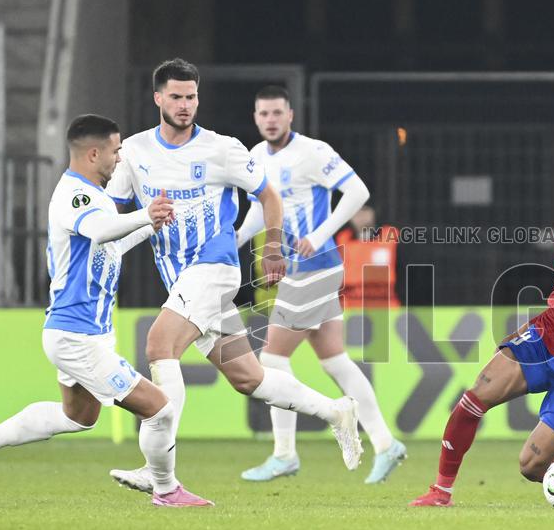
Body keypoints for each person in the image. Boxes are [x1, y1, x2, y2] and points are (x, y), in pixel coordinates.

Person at [0, 114, 213, 507]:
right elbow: (100, 230)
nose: (119, 159)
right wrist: (145, 214)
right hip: (78, 335)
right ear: (93, 154)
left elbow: (108, 245)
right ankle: (166, 490)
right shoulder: (76, 196)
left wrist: (151, 225)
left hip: (80, 333)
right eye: (115, 151)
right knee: (160, 409)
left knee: (78, 416)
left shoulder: (93, 195)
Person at [106, 60, 362, 495]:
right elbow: (116, 214)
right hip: (180, 278)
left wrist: (274, 246)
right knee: (249, 378)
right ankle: (337, 411)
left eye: (191, 97)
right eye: (176, 97)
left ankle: (159, 470)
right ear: (158, 98)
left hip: (214, 268)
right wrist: (115, 243)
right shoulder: (134, 151)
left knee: (159, 345)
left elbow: (269, 196)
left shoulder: (222, 149)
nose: (185, 105)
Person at [410, 156, 554, 507]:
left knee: (531, 467)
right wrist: (528, 327)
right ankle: (441, 492)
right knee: (472, 400)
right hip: (546, 341)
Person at [234, 85, 406, 484]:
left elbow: (358, 191)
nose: (270, 120)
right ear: (256, 118)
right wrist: (236, 240)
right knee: (335, 361)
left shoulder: (312, 151)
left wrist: (320, 233)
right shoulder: (256, 156)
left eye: (277, 113)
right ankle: (385, 443)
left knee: (271, 360)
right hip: (306, 268)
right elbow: (261, 211)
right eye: (264, 114)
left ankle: (284, 454)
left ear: (290, 115)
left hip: (314, 264)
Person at [335, 205, 401, 309]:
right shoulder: (341, 239)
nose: (360, 216)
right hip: (350, 305)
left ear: (374, 212)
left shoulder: (391, 235)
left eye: (364, 210)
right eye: (355, 212)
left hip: (384, 305)